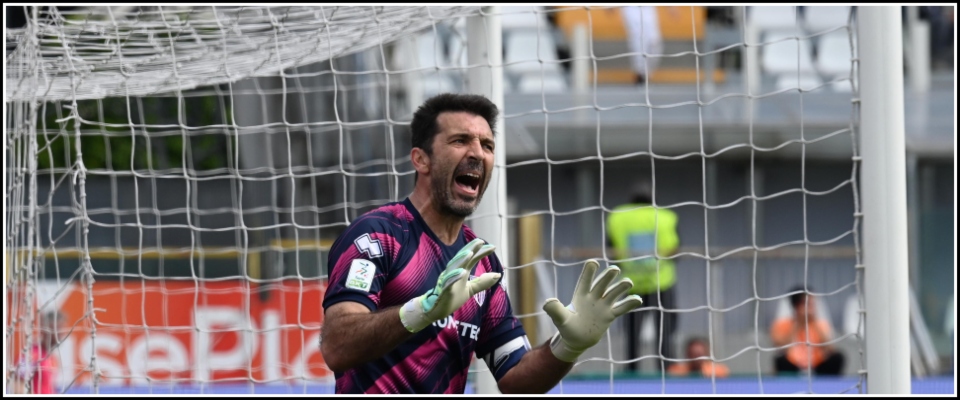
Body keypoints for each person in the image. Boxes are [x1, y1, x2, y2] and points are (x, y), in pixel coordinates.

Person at [319, 93, 643, 394]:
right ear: (421, 159)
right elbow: (337, 346)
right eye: (460, 140)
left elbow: (516, 377)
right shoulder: (378, 235)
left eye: (487, 145)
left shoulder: (481, 261)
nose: (477, 153)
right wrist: (423, 309)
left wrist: (568, 345)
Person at [605, 182, 679, 373]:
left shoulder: (617, 217)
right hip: (661, 282)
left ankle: (631, 371)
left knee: (632, 334)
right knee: (665, 332)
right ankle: (666, 370)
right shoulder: (666, 216)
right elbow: (675, 249)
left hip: (631, 283)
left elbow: (612, 250)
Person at [770, 287, 845, 376]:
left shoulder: (820, 324)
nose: (811, 308)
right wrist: (798, 324)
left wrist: (814, 323)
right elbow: (780, 347)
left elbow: (830, 349)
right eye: (808, 304)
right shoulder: (782, 324)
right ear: (796, 306)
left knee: (838, 358)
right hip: (793, 364)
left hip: (817, 364)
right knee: (780, 361)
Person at [13, 310, 67, 394]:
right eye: (58, 330)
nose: (61, 335)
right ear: (46, 329)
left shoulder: (52, 357)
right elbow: (18, 386)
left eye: (62, 330)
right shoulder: (32, 354)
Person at [620, 6, 663, 84]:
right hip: (631, 8)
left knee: (654, 41)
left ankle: (647, 73)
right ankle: (640, 74)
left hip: (649, 8)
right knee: (638, 41)